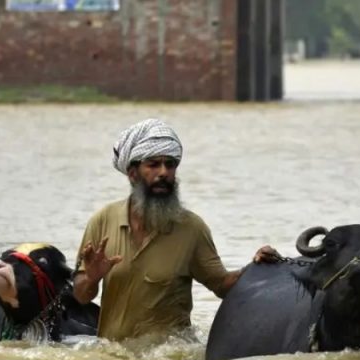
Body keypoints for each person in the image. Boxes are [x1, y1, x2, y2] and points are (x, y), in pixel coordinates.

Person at [72, 118, 279, 341]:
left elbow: (223, 286)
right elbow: (81, 297)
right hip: (112, 358)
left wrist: (257, 267)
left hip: (172, 357)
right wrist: (91, 278)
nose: (164, 172)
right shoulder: (102, 221)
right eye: (153, 164)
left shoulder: (191, 228)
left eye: (170, 165)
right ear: (132, 174)